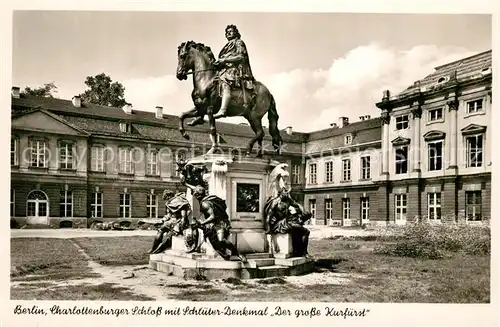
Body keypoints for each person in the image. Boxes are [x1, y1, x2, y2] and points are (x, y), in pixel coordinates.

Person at [191, 185, 246, 262]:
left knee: (221, 240)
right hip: (214, 224)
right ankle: (224, 254)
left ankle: (238, 254)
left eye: (194, 194)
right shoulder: (206, 199)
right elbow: (194, 188)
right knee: (212, 239)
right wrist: (186, 184)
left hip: (220, 223)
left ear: (197, 195)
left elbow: (212, 216)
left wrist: (203, 222)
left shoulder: (204, 204)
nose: (194, 196)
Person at [212, 24, 255, 119]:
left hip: (235, 70)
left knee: (224, 80)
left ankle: (223, 110)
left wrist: (225, 60)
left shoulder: (239, 42)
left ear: (235, 33)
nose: (228, 33)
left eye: (230, 31)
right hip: (225, 69)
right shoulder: (227, 45)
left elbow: (241, 57)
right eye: (226, 32)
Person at [264, 189, 312, 257]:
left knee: (298, 230)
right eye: (285, 193)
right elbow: (268, 216)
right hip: (278, 224)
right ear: (280, 193)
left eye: (287, 193)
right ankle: (303, 252)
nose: (287, 194)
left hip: (286, 222)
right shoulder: (275, 202)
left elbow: (297, 205)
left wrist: (303, 210)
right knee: (305, 231)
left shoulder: (288, 200)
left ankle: (300, 252)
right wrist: (268, 229)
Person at [148, 190, 191, 254]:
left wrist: (182, 222)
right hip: (172, 221)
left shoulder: (179, 201)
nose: (167, 199)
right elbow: (169, 215)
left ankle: (157, 249)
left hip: (178, 221)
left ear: (169, 196)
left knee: (169, 234)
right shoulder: (170, 203)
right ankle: (154, 248)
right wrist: (163, 220)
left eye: (167, 197)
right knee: (161, 230)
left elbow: (183, 214)